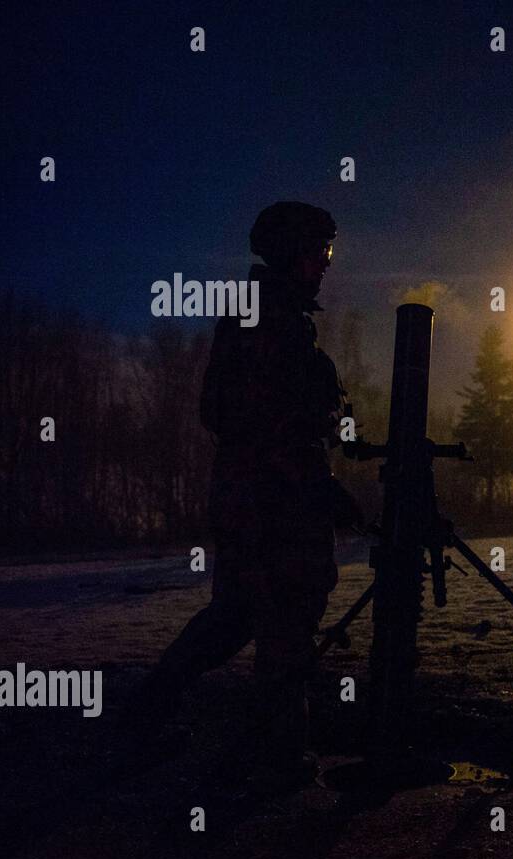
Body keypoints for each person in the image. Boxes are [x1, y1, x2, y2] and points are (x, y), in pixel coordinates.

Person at [130, 201, 359, 783]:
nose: (326, 264)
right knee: (285, 619)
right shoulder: (266, 321)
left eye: (328, 252)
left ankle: (150, 706)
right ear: (289, 252)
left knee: (236, 616)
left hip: (258, 500)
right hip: (272, 506)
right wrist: (318, 487)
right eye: (318, 252)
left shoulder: (270, 315)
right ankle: (278, 754)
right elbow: (255, 422)